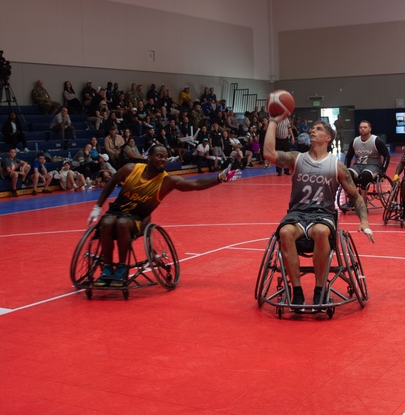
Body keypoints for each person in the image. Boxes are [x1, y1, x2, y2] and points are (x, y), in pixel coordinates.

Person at [86, 145, 240, 287]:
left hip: (138, 218)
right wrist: (97, 206)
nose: (163, 160)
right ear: (149, 158)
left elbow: (196, 184)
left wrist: (220, 178)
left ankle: (121, 268)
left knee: (122, 224)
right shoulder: (131, 169)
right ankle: (107, 268)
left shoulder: (167, 181)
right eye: (159, 156)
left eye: (165, 157)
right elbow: (112, 181)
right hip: (117, 211)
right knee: (106, 222)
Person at [264, 115, 373, 307]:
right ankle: (297, 291)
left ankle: (319, 289)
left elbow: (355, 196)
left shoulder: (336, 165)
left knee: (321, 232)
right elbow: (269, 154)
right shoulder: (296, 159)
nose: (313, 130)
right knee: (285, 232)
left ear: (328, 138)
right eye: (312, 128)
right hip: (297, 213)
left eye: (319, 129)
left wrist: (364, 222)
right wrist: (273, 122)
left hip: (323, 215)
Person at [344, 120, 391, 196]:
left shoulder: (376, 141)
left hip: (373, 165)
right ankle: (353, 198)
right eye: (360, 127)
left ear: (370, 129)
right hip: (358, 165)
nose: (362, 129)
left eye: (365, 127)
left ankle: (362, 201)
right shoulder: (355, 141)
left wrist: (383, 170)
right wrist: (345, 168)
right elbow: (348, 156)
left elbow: (386, 156)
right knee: (348, 173)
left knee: (365, 174)